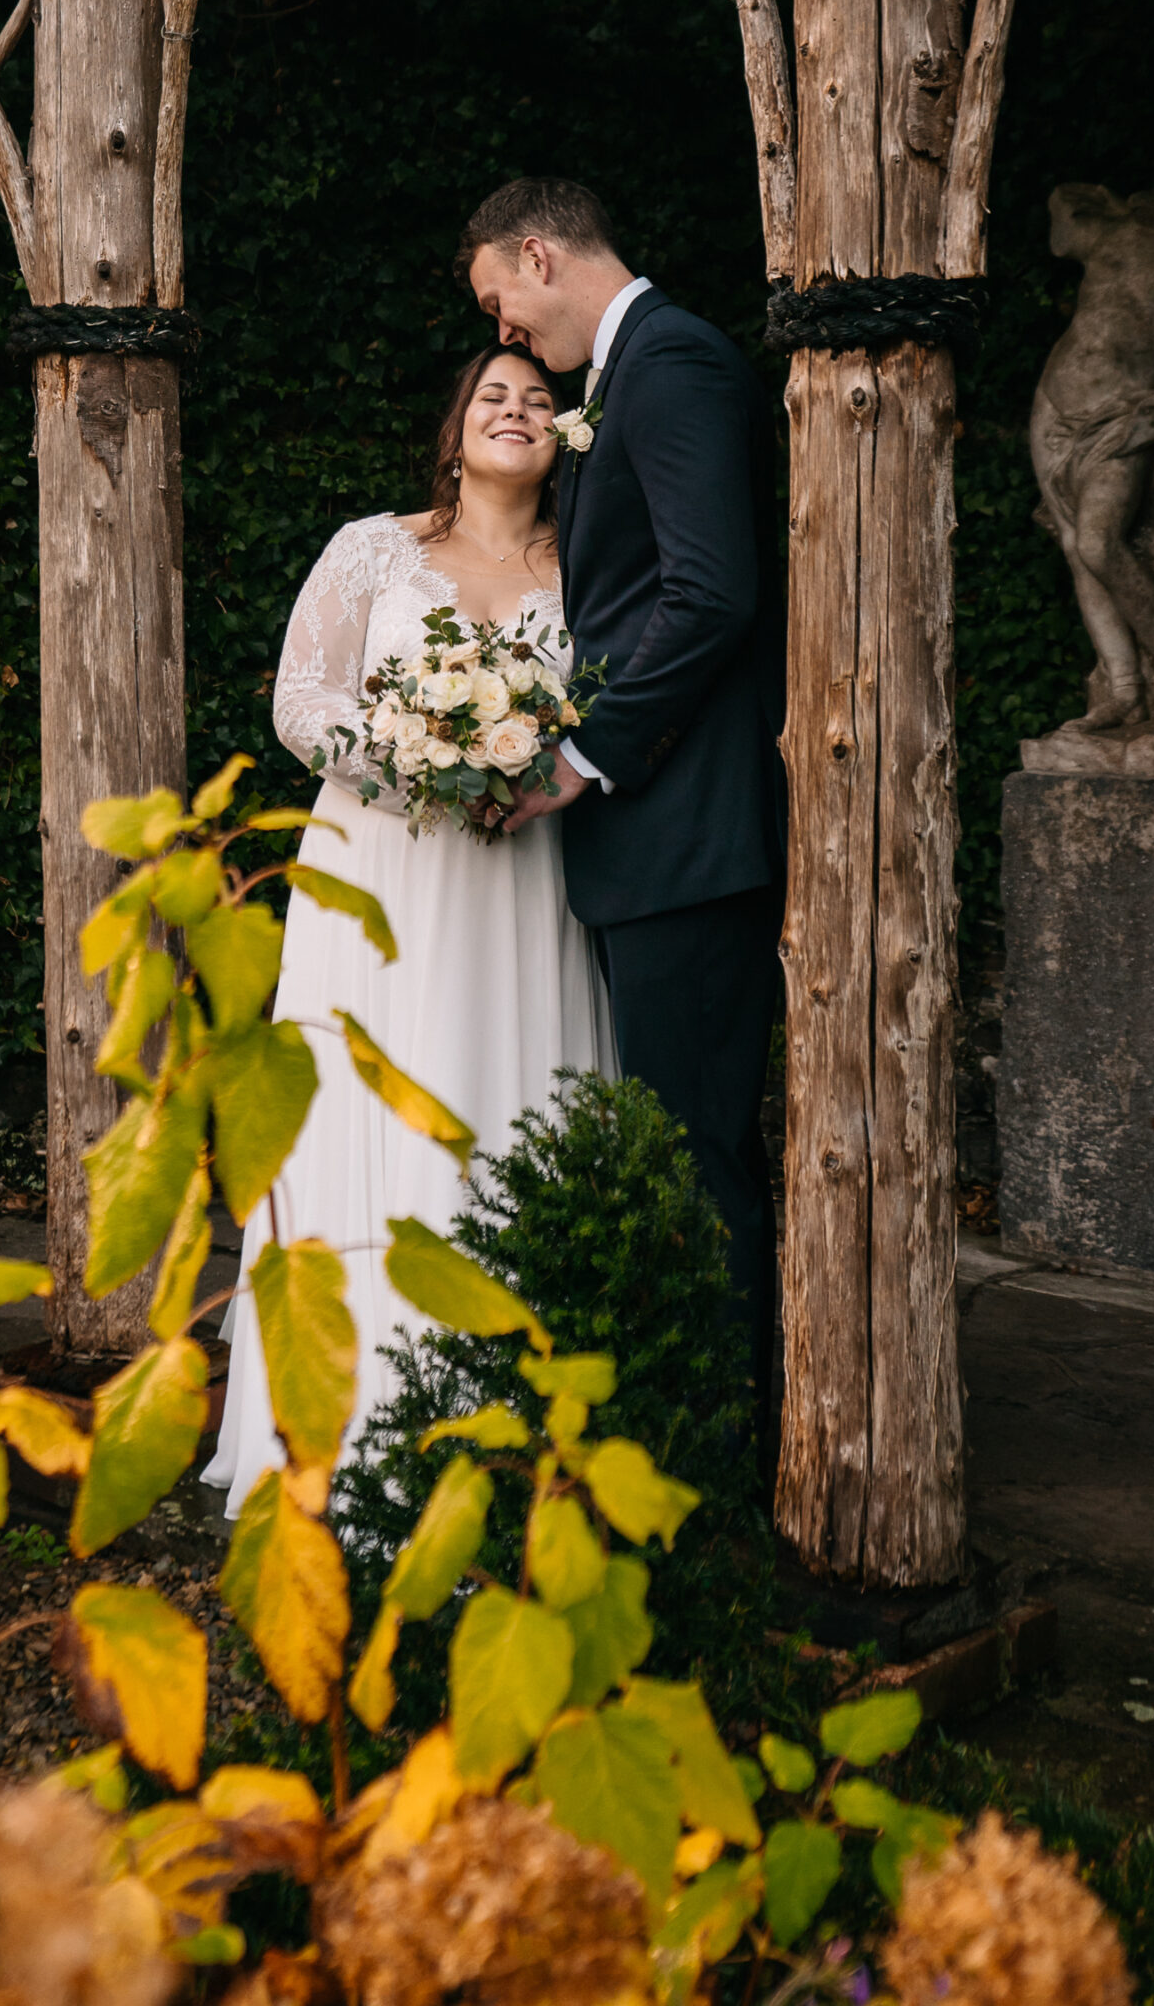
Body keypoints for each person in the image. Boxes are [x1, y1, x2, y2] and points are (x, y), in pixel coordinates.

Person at [201, 342, 617, 1518]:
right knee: (365, 1105)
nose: (517, 409)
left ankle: (510, 1420)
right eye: (494, 394)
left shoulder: (583, 566)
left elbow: (603, 707)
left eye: (541, 400)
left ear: (565, 437)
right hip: (379, 871)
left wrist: (523, 762)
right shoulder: (374, 549)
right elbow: (300, 699)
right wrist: (414, 759)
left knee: (512, 1095)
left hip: (519, 874)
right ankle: (363, 1420)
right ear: (456, 429)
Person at [462, 178, 785, 1441]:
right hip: (657, 850)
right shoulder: (631, 377)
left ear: (539, 255)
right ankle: (687, 1431)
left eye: (503, 303)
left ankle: (720, 1457)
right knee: (671, 1152)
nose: (508, 337)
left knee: (700, 1158)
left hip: (690, 841)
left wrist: (583, 754)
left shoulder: (676, 364)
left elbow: (710, 595)